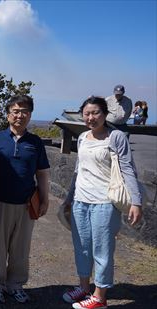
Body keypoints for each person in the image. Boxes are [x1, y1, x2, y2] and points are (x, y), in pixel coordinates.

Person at [62, 96, 142, 309]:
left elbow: (128, 169)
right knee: (82, 248)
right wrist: (69, 198)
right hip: (81, 201)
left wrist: (136, 201)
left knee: (102, 251)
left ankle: (100, 297)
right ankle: (84, 288)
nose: (90, 117)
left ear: (105, 114)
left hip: (104, 203)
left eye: (95, 113)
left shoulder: (115, 137)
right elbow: (79, 170)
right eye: (87, 113)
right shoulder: (83, 138)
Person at [0, 95, 50, 304]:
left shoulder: (35, 142)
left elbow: (42, 173)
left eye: (24, 111)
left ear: (30, 115)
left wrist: (45, 198)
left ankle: (15, 285)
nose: (20, 115)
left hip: (25, 203)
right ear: (8, 114)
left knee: (21, 248)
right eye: (15, 110)